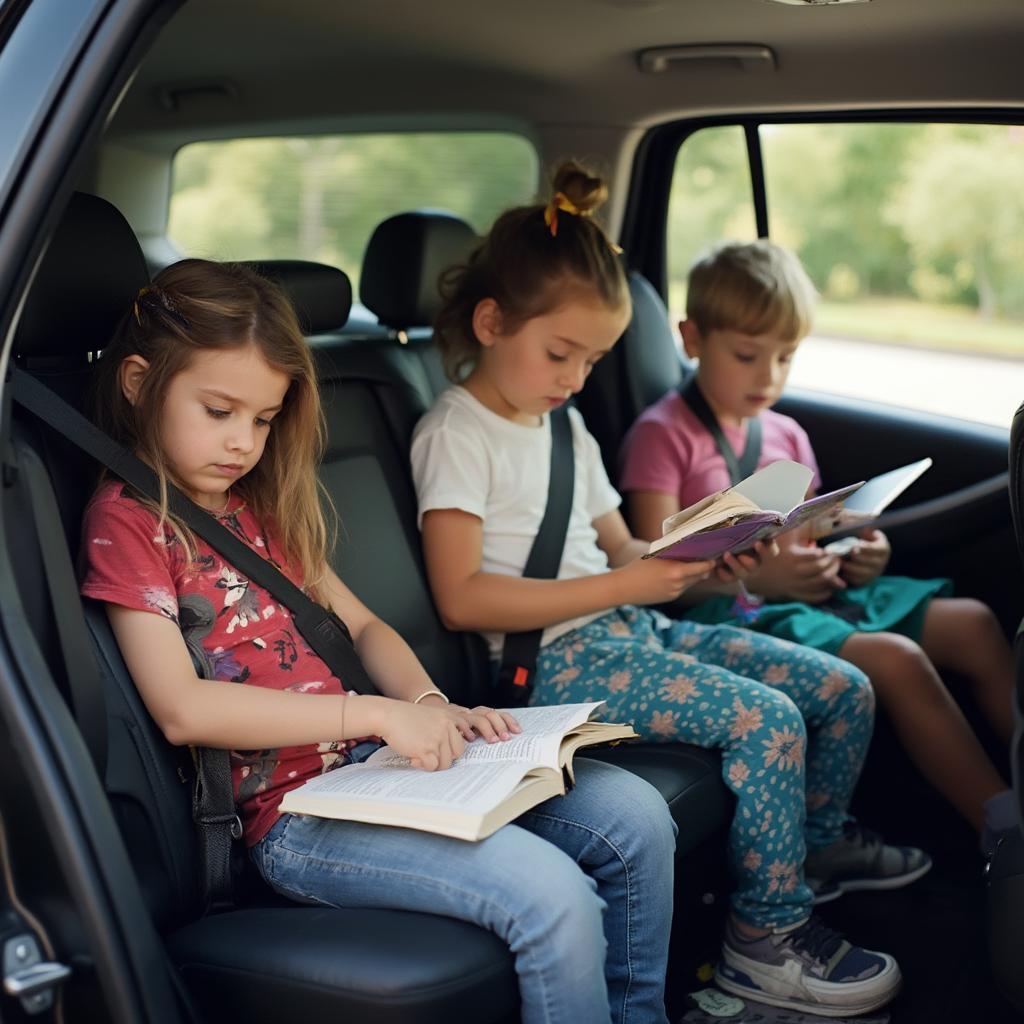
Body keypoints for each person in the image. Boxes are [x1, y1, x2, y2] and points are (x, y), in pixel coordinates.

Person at [79, 258, 683, 1024]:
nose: (243, 443)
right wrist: (374, 716)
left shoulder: (256, 508)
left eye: (263, 420)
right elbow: (182, 708)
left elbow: (362, 625)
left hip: (374, 766)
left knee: (634, 815)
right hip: (290, 815)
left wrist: (430, 703)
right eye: (219, 411)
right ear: (138, 382)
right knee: (552, 895)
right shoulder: (128, 523)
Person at [413, 162, 923, 1016]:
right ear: (491, 321)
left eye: (594, 358)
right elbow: (463, 598)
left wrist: (698, 556)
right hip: (550, 668)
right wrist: (631, 578)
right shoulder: (457, 433)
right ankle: (762, 941)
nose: (575, 377)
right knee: (767, 719)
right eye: (558, 353)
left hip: (629, 632)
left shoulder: (563, 424)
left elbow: (625, 549)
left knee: (843, 685)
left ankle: (813, 854)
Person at [619, 238, 1015, 846]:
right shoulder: (662, 436)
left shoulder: (787, 434)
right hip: (731, 613)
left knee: (976, 623)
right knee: (899, 659)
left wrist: (856, 554)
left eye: (785, 358)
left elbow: (811, 527)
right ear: (692, 339)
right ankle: (1002, 829)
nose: (769, 376)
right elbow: (652, 572)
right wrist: (756, 580)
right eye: (749, 356)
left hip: (807, 599)